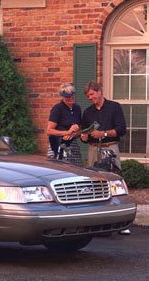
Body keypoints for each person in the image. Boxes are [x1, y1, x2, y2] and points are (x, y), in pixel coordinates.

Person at [80, 80, 129, 235]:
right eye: (88, 96)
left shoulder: (114, 107)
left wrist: (104, 133)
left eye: (92, 94)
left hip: (111, 147)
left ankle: (122, 223)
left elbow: (122, 129)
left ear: (99, 91)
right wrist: (84, 137)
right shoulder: (88, 112)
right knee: (94, 183)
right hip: (93, 149)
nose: (90, 98)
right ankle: (96, 221)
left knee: (114, 183)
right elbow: (83, 132)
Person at [46, 83, 82, 165]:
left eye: (71, 95)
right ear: (62, 97)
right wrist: (67, 132)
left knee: (76, 171)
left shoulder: (77, 108)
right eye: (67, 97)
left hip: (73, 145)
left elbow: (80, 129)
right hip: (58, 144)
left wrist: (75, 132)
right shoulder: (57, 109)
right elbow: (49, 131)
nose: (70, 98)